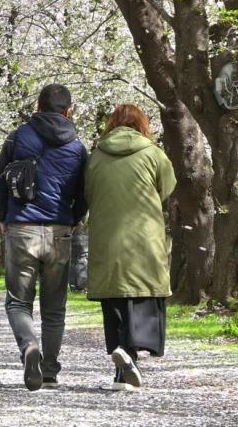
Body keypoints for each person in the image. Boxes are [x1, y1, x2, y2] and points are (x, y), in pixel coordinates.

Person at [0, 84, 88, 392]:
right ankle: (49, 370)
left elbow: (0, 180)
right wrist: (73, 220)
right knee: (54, 308)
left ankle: (29, 347)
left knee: (18, 302)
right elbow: (83, 191)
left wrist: (4, 217)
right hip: (59, 231)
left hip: (21, 228)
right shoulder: (77, 146)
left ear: (37, 105)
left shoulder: (18, 136)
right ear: (68, 111)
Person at [84, 104, 175, 391]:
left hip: (107, 237)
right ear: (142, 125)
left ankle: (122, 367)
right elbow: (167, 188)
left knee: (114, 298)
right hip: (143, 236)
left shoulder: (95, 156)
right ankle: (131, 353)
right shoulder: (153, 153)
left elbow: (88, 192)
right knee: (143, 294)